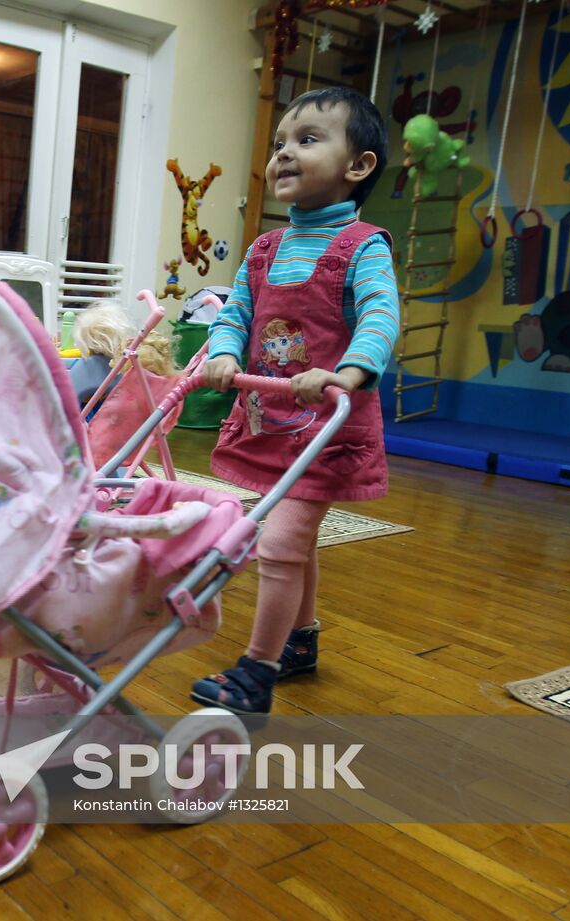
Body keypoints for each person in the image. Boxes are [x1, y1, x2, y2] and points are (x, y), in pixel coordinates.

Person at [189, 86, 398, 715]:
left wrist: (348, 370)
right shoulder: (262, 249)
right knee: (296, 544)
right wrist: (223, 351)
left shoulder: (364, 246)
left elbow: (381, 316)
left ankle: (257, 671)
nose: (284, 153)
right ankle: (299, 640)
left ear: (357, 167)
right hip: (268, 420)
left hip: (325, 432)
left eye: (307, 140)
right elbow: (237, 315)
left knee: (278, 543)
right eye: (280, 142)